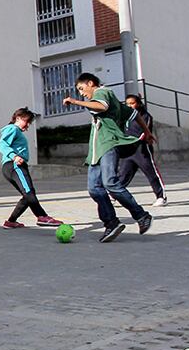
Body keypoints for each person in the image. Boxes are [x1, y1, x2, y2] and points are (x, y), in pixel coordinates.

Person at [62, 73, 151, 243]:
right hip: (96, 151)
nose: (81, 93)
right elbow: (134, 114)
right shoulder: (115, 102)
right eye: (79, 92)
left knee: (110, 183)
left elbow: (100, 106)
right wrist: (146, 131)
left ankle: (141, 216)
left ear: (91, 83)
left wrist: (74, 101)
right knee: (94, 188)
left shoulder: (102, 92)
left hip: (108, 145)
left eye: (82, 89)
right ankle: (112, 223)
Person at [0, 108, 63, 230]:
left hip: (13, 166)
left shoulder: (16, 131)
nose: (28, 125)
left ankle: (11, 222)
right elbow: (1, 144)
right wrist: (14, 156)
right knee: (29, 192)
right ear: (18, 118)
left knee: (27, 194)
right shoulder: (13, 129)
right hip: (14, 165)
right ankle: (42, 216)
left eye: (29, 123)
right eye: (26, 121)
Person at [118, 94, 166, 207]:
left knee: (151, 173)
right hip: (127, 150)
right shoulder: (125, 116)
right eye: (127, 103)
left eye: (132, 103)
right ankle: (115, 196)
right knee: (123, 174)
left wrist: (135, 140)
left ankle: (161, 197)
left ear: (138, 103)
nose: (129, 105)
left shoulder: (145, 116)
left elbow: (144, 133)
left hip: (141, 150)